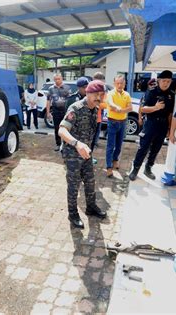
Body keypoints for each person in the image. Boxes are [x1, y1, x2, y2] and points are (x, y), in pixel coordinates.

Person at [58, 80, 107, 229]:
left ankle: (90, 207)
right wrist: (77, 144)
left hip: (86, 153)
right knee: (74, 185)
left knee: (90, 182)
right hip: (72, 152)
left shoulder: (95, 109)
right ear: (87, 92)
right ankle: (72, 214)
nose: (98, 97)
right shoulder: (76, 108)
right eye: (95, 94)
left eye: (101, 94)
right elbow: (62, 130)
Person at [129, 70, 175, 181]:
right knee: (143, 147)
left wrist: (169, 129)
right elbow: (143, 109)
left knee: (156, 149)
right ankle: (135, 169)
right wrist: (155, 108)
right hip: (151, 123)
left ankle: (148, 168)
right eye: (164, 81)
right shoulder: (152, 91)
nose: (166, 83)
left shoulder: (171, 95)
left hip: (163, 125)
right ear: (159, 80)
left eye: (168, 81)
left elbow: (170, 114)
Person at [105, 74, 133, 177]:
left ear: (124, 83)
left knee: (119, 145)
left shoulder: (127, 94)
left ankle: (115, 160)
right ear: (114, 83)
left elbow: (130, 108)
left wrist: (120, 110)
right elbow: (111, 105)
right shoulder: (110, 94)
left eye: (121, 83)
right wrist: (118, 107)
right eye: (117, 83)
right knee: (110, 146)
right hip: (112, 122)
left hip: (123, 122)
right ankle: (108, 167)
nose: (119, 85)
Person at [46, 73, 72, 151]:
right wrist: (48, 112)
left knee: (67, 128)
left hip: (65, 111)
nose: (57, 80)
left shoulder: (67, 88)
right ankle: (58, 144)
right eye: (55, 79)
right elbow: (48, 101)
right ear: (54, 80)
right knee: (57, 128)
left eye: (59, 79)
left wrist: (71, 112)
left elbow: (70, 100)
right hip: (56, 111)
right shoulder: (51, 89)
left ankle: (66, 144)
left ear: (62, 78)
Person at [90, 72, 108, 164]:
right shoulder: (90, 89)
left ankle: (89, 157)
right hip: (89, 119)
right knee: (87, 139)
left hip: (98, 118)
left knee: (93, 141)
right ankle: (86, 158)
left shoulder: (103, 91)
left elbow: (105, 104)